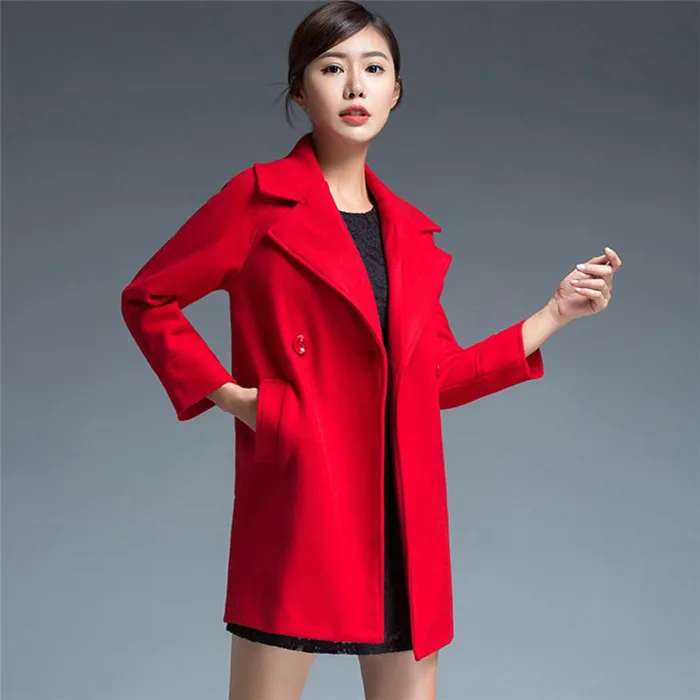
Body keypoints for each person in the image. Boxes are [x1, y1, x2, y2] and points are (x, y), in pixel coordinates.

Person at [120, 2, 621, 698]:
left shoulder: (408, 235)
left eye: (374, 68)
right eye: (333, 68)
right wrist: (237, 400)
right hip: (305, 498)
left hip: (404, 519)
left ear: (396, 91)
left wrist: (555, 314)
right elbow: (148, 297)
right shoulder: (258, 201)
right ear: (300, 92)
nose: (355, 85)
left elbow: (438, 378)